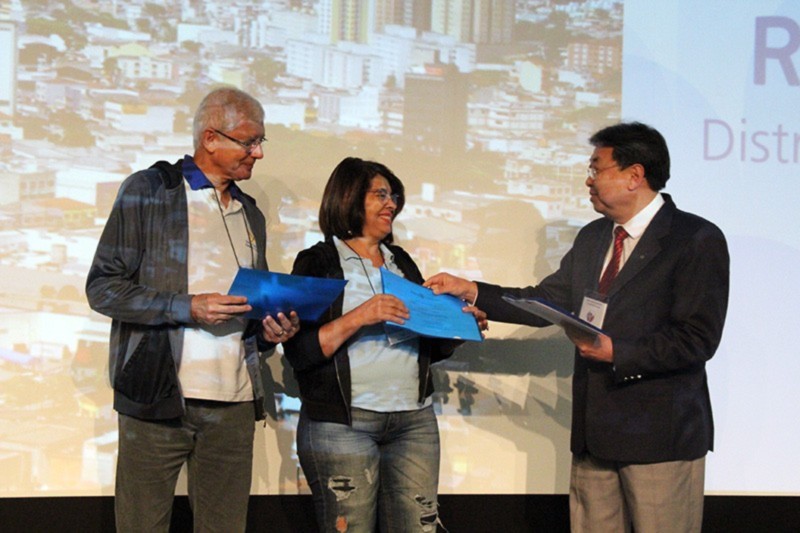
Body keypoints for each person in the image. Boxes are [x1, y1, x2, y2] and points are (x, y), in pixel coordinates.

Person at [425, 122, 729, 533]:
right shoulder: (593, 237)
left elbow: (697, 339)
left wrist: (617, 352)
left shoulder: (694, 239)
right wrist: (472, 290)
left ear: (634, 176)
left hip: (660, 437)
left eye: (596, 168)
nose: (588, 180)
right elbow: (545, 302)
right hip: (594, 436)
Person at [85, 87, 300, 532]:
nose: (258, 153)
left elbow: (249, 314)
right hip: (157, 398)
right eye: (249, 141)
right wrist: (188, 307)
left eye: (260, 142)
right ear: (210, 138)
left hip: (235, 404)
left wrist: (268, 333)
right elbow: (103, 288)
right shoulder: (152, 190)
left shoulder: (250, 214)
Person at [282, 157, 486, 532]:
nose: (391, 203)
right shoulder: (318, 261)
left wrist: (457, 327)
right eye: (380, 194)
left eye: (393, 196)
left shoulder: (400, 261)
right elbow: (301, 352)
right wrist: (361, 315)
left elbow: (426, 345)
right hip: (343, 424)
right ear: (349, 197)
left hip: (414, 422)